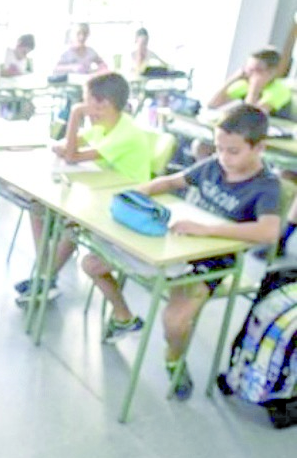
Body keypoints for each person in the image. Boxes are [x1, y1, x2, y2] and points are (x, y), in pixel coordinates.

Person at [81, 104, 281, 400]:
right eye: (219, 148)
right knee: (92, 262)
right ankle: (124, 316)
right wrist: (142, 191)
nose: (224, 157)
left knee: (174, 321)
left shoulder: (267, 186)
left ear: (259, 148)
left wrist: (208, 229)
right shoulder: (214, 165)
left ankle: (174, 358)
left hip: (214, 260)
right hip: (179, 242)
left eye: (233, 151)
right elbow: (173, 181)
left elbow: (268, 232)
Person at [14, 72, 152, 305]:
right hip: (102, 190)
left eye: (86, 101)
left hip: (125, 202)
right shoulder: (102, 125)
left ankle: (45, 278)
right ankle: (45, 276)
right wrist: (69, 147)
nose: (83, 106)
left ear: (103, 104)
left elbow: (70, 154)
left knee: (70, 222)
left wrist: (76, 115)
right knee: (37, 207)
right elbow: (71, 146)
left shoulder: (126, 132)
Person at [207, 48, 292, 117]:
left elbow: (250, 117)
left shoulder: (279, 90)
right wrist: (233, 79)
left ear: (271, 72)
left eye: (256, 70)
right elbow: (212, 105)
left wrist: (254, 89)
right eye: (248, 69)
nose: (249, 74)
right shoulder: (244, 85)